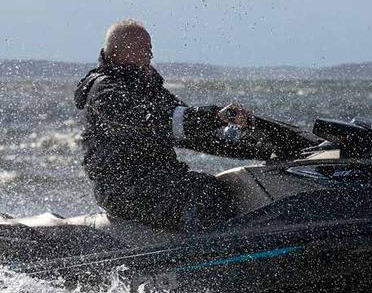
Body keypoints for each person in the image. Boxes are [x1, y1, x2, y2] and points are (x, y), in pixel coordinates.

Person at [74, 19, 253, 231]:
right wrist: (213, 116)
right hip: (123, 188)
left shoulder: (149, 89)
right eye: (142, 49)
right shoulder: (104, 91)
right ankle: (206, 257)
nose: (150, 55)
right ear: (116, 52)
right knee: (204, 191)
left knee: (235, 186)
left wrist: (254, 143)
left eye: (149, 49)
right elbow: (153, 120)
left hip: (160, 180)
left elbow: (192, 132)